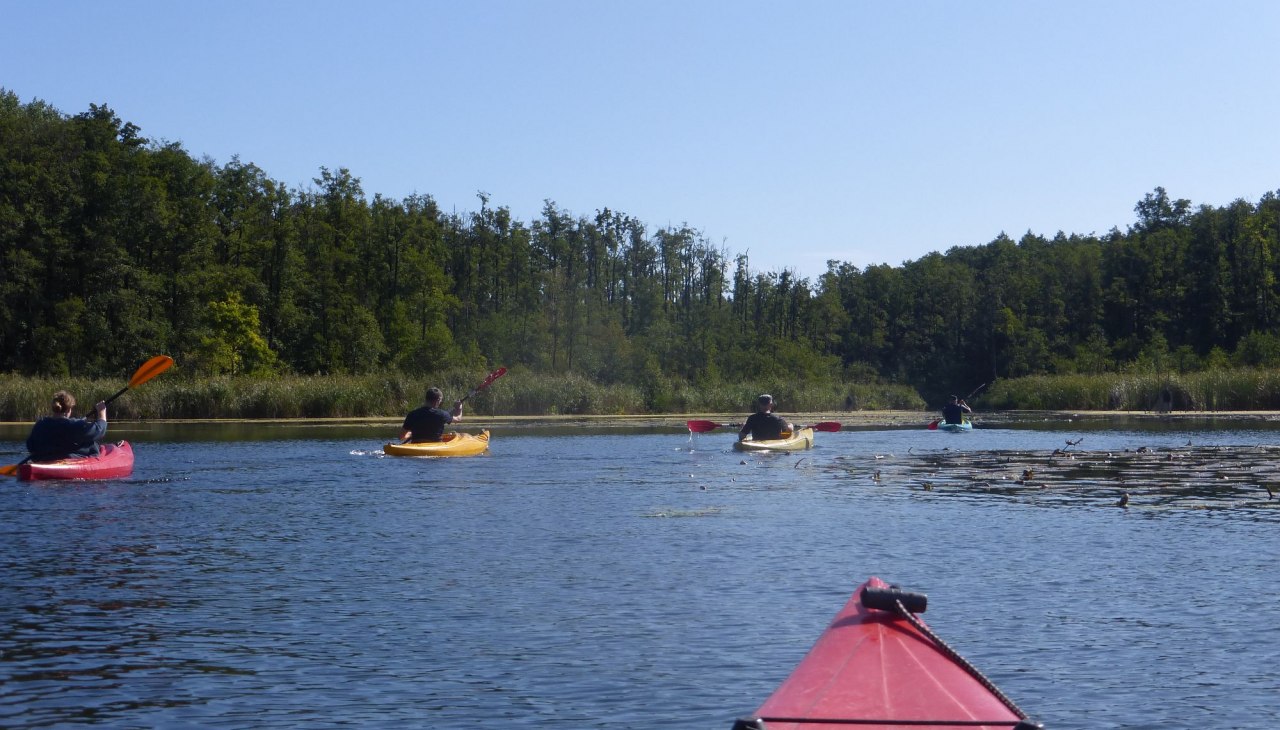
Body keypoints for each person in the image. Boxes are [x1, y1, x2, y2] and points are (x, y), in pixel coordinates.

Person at [26, 390, 108, 462]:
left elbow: (30, 446)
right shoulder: (74, 425)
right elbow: (99, 430)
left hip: (43, 460)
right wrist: (101, 412)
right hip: (68, 461)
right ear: (69, 409)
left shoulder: (40, 424)